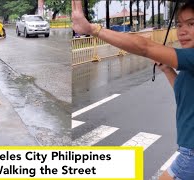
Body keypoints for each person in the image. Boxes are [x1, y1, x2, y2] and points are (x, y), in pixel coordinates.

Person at [72, 1, 194, 180]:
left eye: (191, 24)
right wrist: (168, 70)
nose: (182, 31)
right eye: (179, 24)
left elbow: (144, 47)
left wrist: (93, 29)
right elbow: (186, 95)